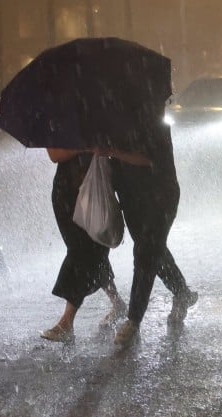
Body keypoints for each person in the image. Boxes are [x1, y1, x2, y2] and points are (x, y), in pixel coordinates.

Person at [107, 103, 197, 347]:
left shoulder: (155, 121)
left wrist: (112, 151)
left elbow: (150, 158)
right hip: (131, 199)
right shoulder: (110, 121)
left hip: (160, 196)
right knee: (154, 252)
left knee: (145, 252)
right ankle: (182, 292)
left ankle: (133, 320)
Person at [40, 148, 126, 343]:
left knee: (86, 252)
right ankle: (117, 303)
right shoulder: (58, 120)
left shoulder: (96, 118)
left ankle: (66, 322)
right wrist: (87, 146)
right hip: (67, 194)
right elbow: (55, 155)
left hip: (95, 189)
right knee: (86, 252)